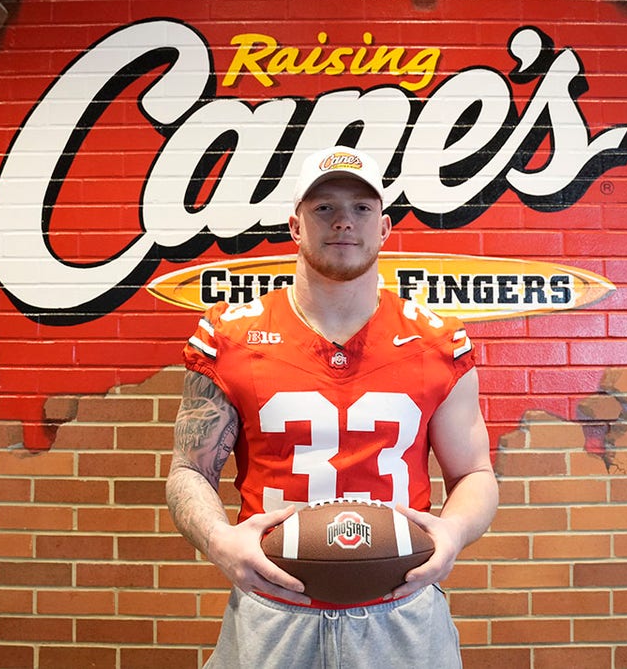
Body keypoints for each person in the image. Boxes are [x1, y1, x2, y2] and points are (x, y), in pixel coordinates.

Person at [165, 145, 499, 668]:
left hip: (400, 606)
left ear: (385, 228)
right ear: (295, 226)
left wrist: (452, 532)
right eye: (324, 208)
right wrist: (219, 542)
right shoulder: (228, 335)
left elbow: (475, 472)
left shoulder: (438, 340)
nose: (344, 221)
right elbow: (189, 469)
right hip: (275, 609)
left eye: (361, 208)